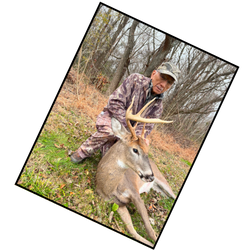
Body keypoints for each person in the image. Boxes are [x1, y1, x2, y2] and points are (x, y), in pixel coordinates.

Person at [70, 62, 180, 163]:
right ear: (153, 74)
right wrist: (125, 128)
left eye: (169, 82)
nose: (163, 84)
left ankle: (106, 146)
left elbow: (146, 128)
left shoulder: (158, 106)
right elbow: (115, 102)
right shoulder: (135, 80)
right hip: (112, 118)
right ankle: (81, 152)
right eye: (162, 77)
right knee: (110, 132)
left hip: (128, 134)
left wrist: (138, 139)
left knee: (116, 156)